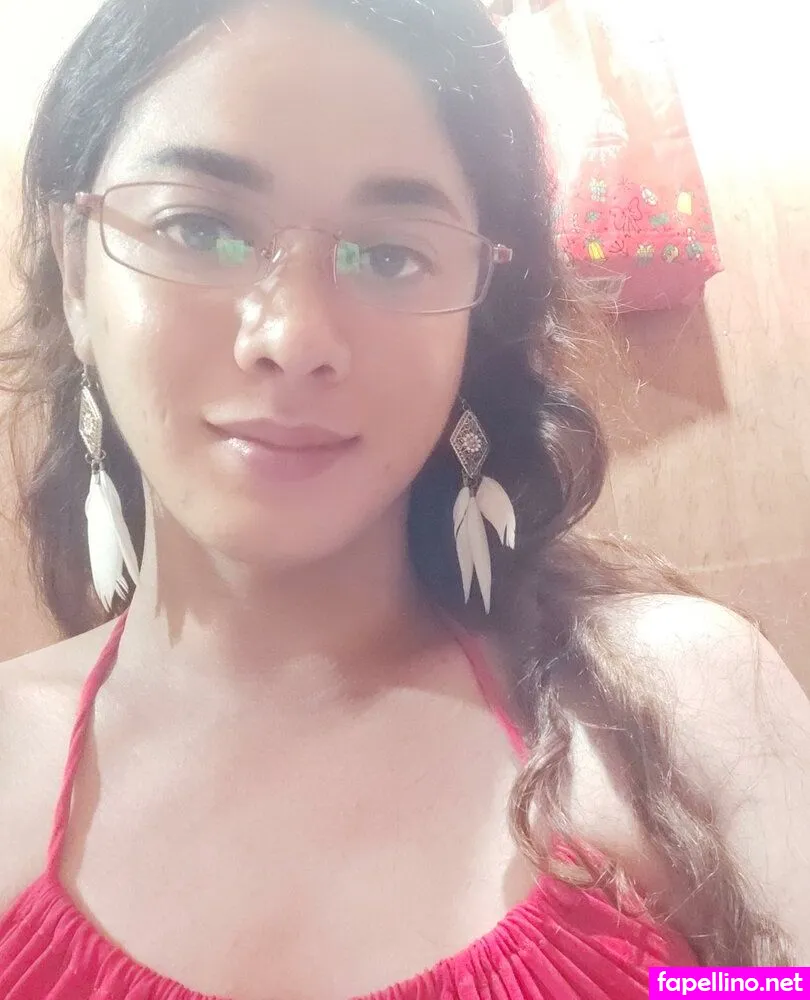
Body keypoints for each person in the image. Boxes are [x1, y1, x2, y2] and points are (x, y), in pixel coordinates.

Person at [0, 0, 807, 996]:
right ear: (76, 275)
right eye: (200, 226)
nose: (294, 336)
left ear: (478, 307)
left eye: (388, 254)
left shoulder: (680, 703)